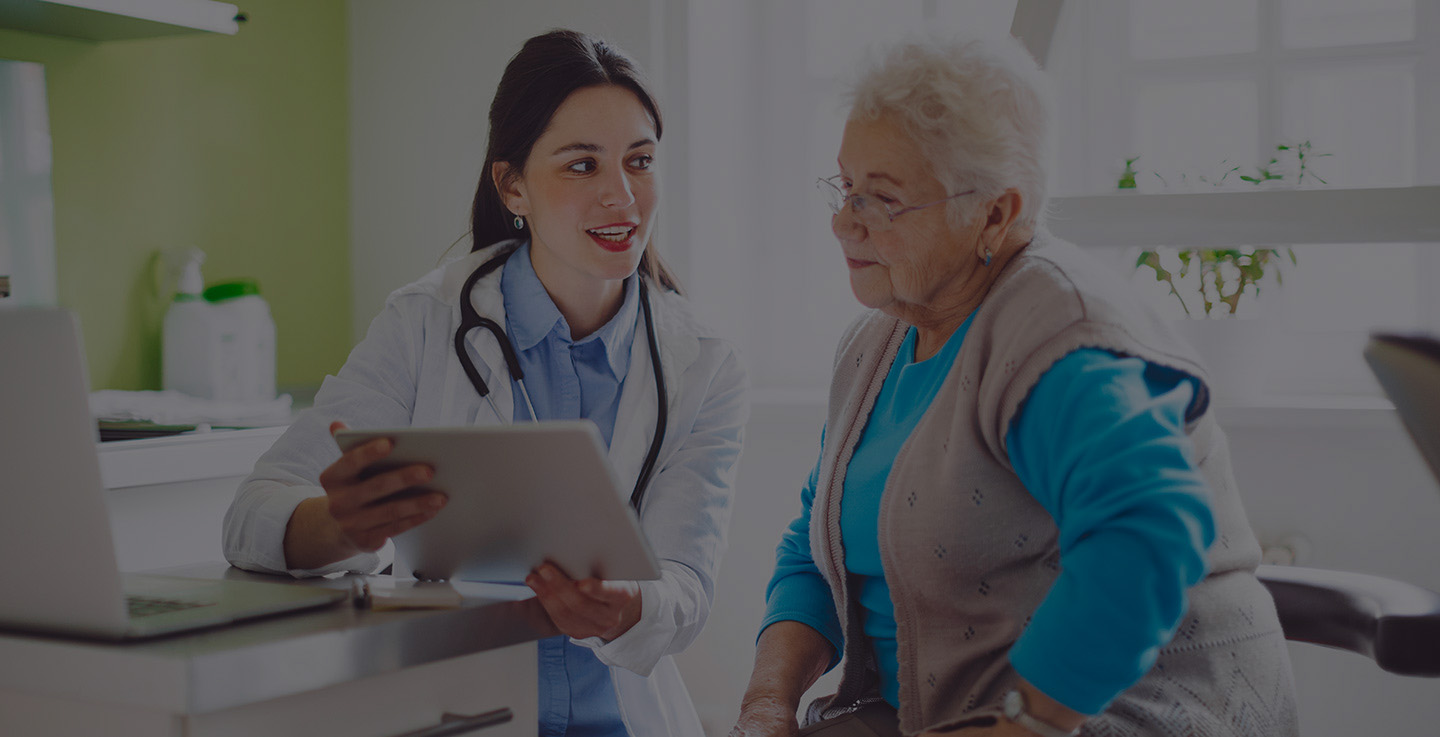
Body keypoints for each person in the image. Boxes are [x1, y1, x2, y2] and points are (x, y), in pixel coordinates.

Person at [730, 34, 1298, 737]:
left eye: (882, 198)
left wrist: (1025, 725)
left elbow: (1149, 532)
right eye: (846, 188)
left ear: (995, 213)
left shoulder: (1059, 329)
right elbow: (817, 549)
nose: (843, 220)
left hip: (1117, 715)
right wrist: (765, 705)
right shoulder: (877, 338)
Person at [223, 29, 748, 737]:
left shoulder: (704, 363)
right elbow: (251, 514)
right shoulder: (425, 322)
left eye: (640, 161)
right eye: (582, 164)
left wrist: (630, 602)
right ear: (512, 185)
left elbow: (686, 584)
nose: (621, 195)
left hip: (617, 720)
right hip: (454, 715)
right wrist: (339, 524)